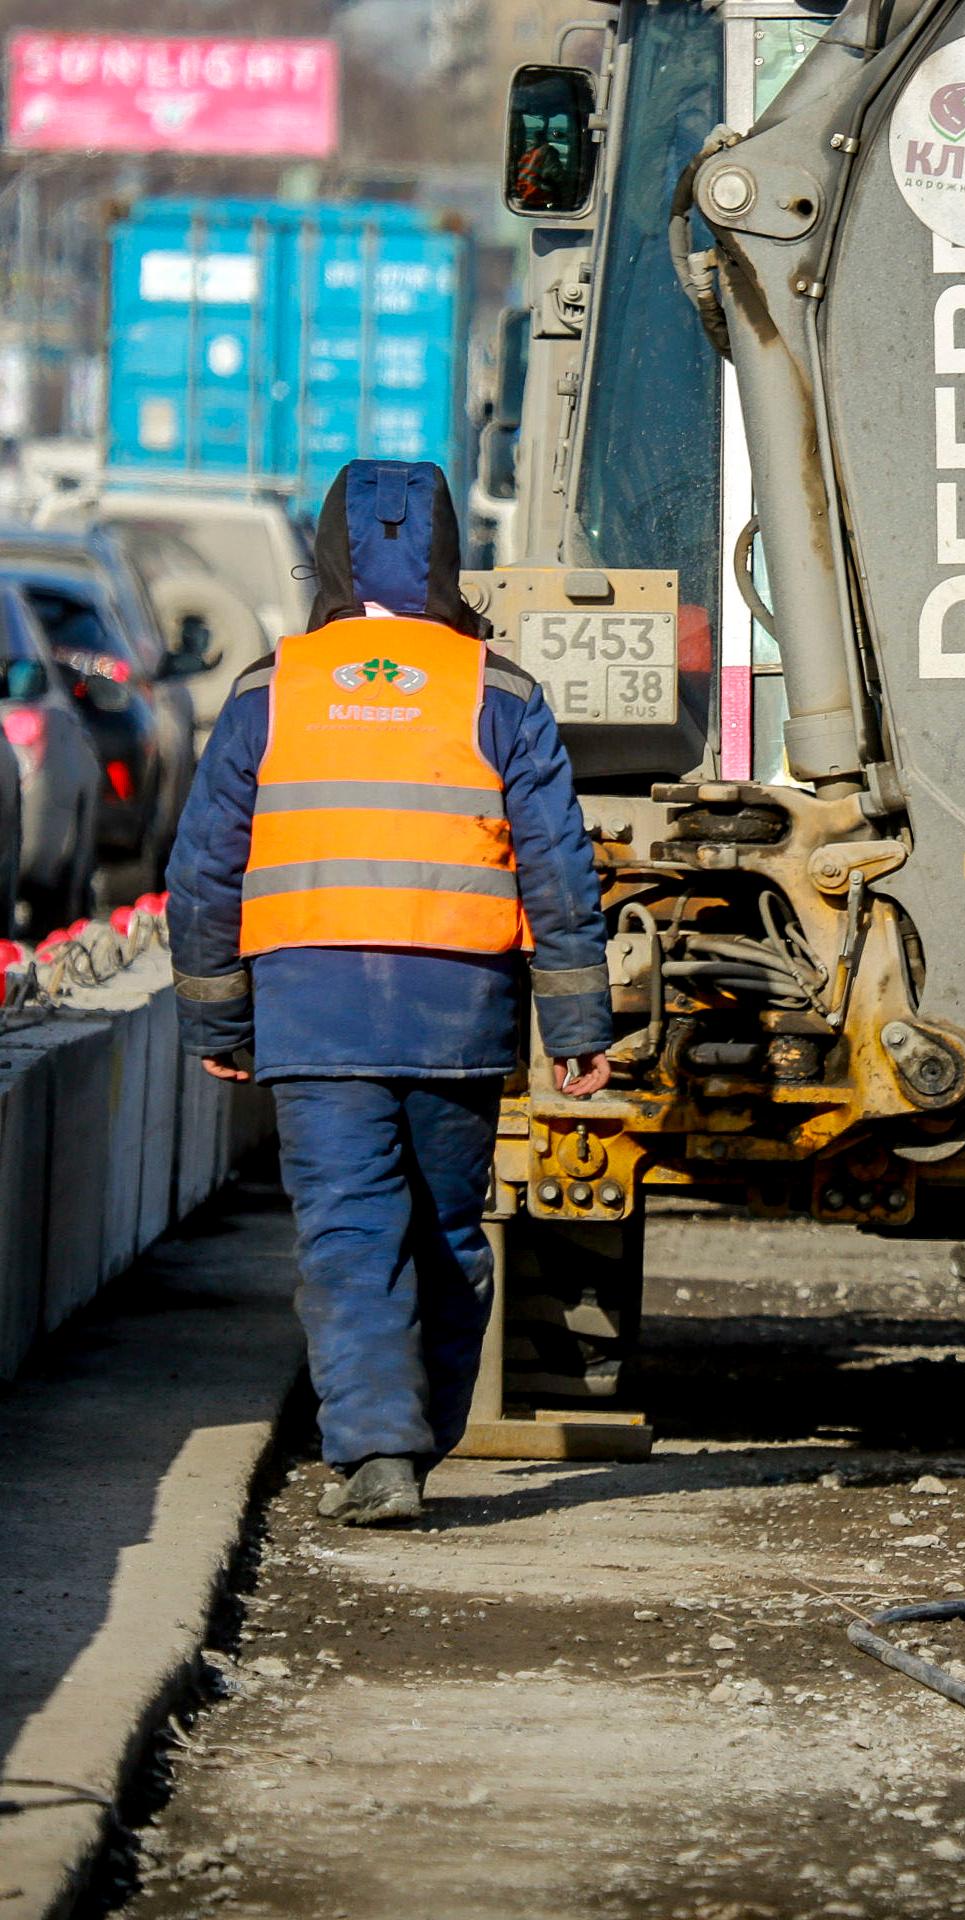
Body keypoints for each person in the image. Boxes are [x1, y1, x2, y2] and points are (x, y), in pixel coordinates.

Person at [166, 459, 613, 1527]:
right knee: (448, 1230)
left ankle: (380, 1452)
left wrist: (219, 1016)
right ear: (450, 563)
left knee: (348, 1232)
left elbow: (204, 872)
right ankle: (416, 1440)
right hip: (457, 1011)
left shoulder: (269, 691)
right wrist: (577, 1025)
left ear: (324, 560)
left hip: (314, 1013)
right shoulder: (498, 693)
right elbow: (556, 869)